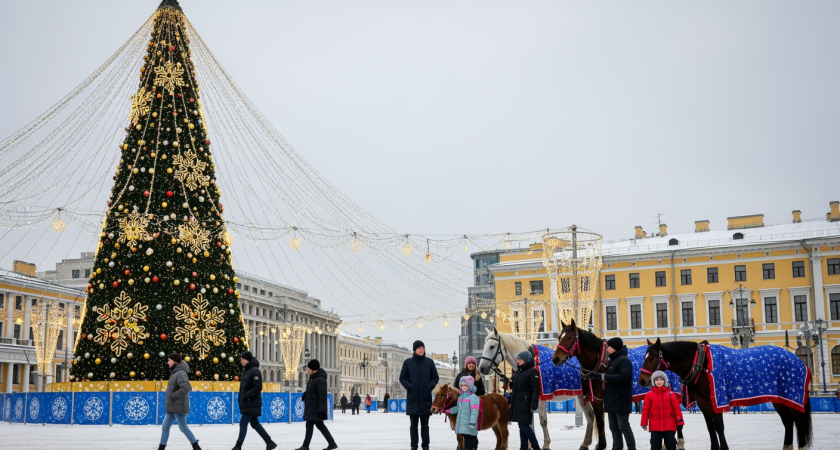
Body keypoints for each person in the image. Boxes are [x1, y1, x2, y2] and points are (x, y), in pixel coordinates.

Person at [232, 351, 277, 450]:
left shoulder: (254, 371)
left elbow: (258, 387)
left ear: (247, 360)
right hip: (249, 402)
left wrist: (247, 396)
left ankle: (238, 446)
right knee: (254, 423)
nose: (241, 361)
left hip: (251, 402)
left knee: (243, 423)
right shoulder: (247, 371)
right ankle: (269, 442)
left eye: (242, 359)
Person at [399, 340, 440, 450]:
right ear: (414, 350)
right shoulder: (408, 363)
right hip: (413, 399)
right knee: (413, 426)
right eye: (419, 348)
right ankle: (414, 445)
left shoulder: (429, 362)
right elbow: (402, 378)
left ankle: (425, 445)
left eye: (423, 347)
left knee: (425, 426)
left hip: (425, 399)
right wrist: (410, 386)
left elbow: (435, 377)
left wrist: (429, 386)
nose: (421, 349)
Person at [158, 353, 201, 450]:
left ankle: (195, 445)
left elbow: (185, 388)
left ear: (175, 362)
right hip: (173, 406)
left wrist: (173, 396)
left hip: (178, 406)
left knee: (183, 428)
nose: (168, 362)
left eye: (169, 360)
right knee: (165, 426)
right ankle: (161, 447)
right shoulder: (174, 373)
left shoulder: (180, 373)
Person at [601, 337, 636, 450]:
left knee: (623, 426)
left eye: (608, 347)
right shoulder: (614, 360)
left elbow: (624, 377)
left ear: (614, 348)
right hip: (612, 400)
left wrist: (606, 377)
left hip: (621, 400)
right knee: (613, 427)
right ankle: (617, 448)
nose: (607, 349)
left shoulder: (623, 360)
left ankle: (631, 448)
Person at [296, 359, 338, 450]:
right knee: (319, 425)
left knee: (310, 424)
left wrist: (322, 410)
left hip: (315, 407)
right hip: (312, 406)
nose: (307, 369)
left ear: (313, 368)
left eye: (308, 367)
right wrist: (305, 395)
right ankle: (332, 443)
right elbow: (312, 391)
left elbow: (322, 396)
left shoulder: (319, 379)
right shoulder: (313, 378)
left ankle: (306, 445)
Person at [640, 371, 684, 450]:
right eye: (657, 380)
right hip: (655, 426)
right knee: (655, 444)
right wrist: (644, 422)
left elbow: (677, 409)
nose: (659, 381)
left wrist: (680, 421)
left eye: (661, 379)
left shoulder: (671, 394)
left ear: (665, 381)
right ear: (653, 382)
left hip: (669, 425)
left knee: (671, 444)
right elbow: (645, 410)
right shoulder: (649, 395)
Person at [509, 350, 540, 450]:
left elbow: (536, 389)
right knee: (522, 426)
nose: (517, 361)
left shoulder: (532, 371)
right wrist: (510, 383)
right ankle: (524, 447)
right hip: (518, 403)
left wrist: (534, 403)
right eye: (518, 359)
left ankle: (536, 447)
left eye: (520, 359)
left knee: (524, 426)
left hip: (526, 403)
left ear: (525, 360)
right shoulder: (518, 371)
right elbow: (516, 387)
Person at [444, 376, 480, 450]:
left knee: (471, 443)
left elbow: (474, 412)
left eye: (465, 385)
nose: (463, 387)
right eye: (462, 385)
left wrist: (472, 423)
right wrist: (449, 411)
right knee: (465, 444)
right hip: (463, 427)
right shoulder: (460, 397)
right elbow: (458, 408)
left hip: (470, 426)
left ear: (469, 386)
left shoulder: (473, 398)